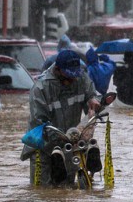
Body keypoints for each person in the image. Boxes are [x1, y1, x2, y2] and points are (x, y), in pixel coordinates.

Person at [22, 50, 101, 186]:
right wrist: (60, 138)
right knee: (42, 190)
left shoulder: (81, 79)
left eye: (74, 77)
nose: (71, 81)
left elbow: (92, 95)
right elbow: (38, 121)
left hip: (69, 145)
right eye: (68, 77)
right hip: (43, 147)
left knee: (66, 189)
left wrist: (93, 100)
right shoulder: (41, 89)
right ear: (57, 70)